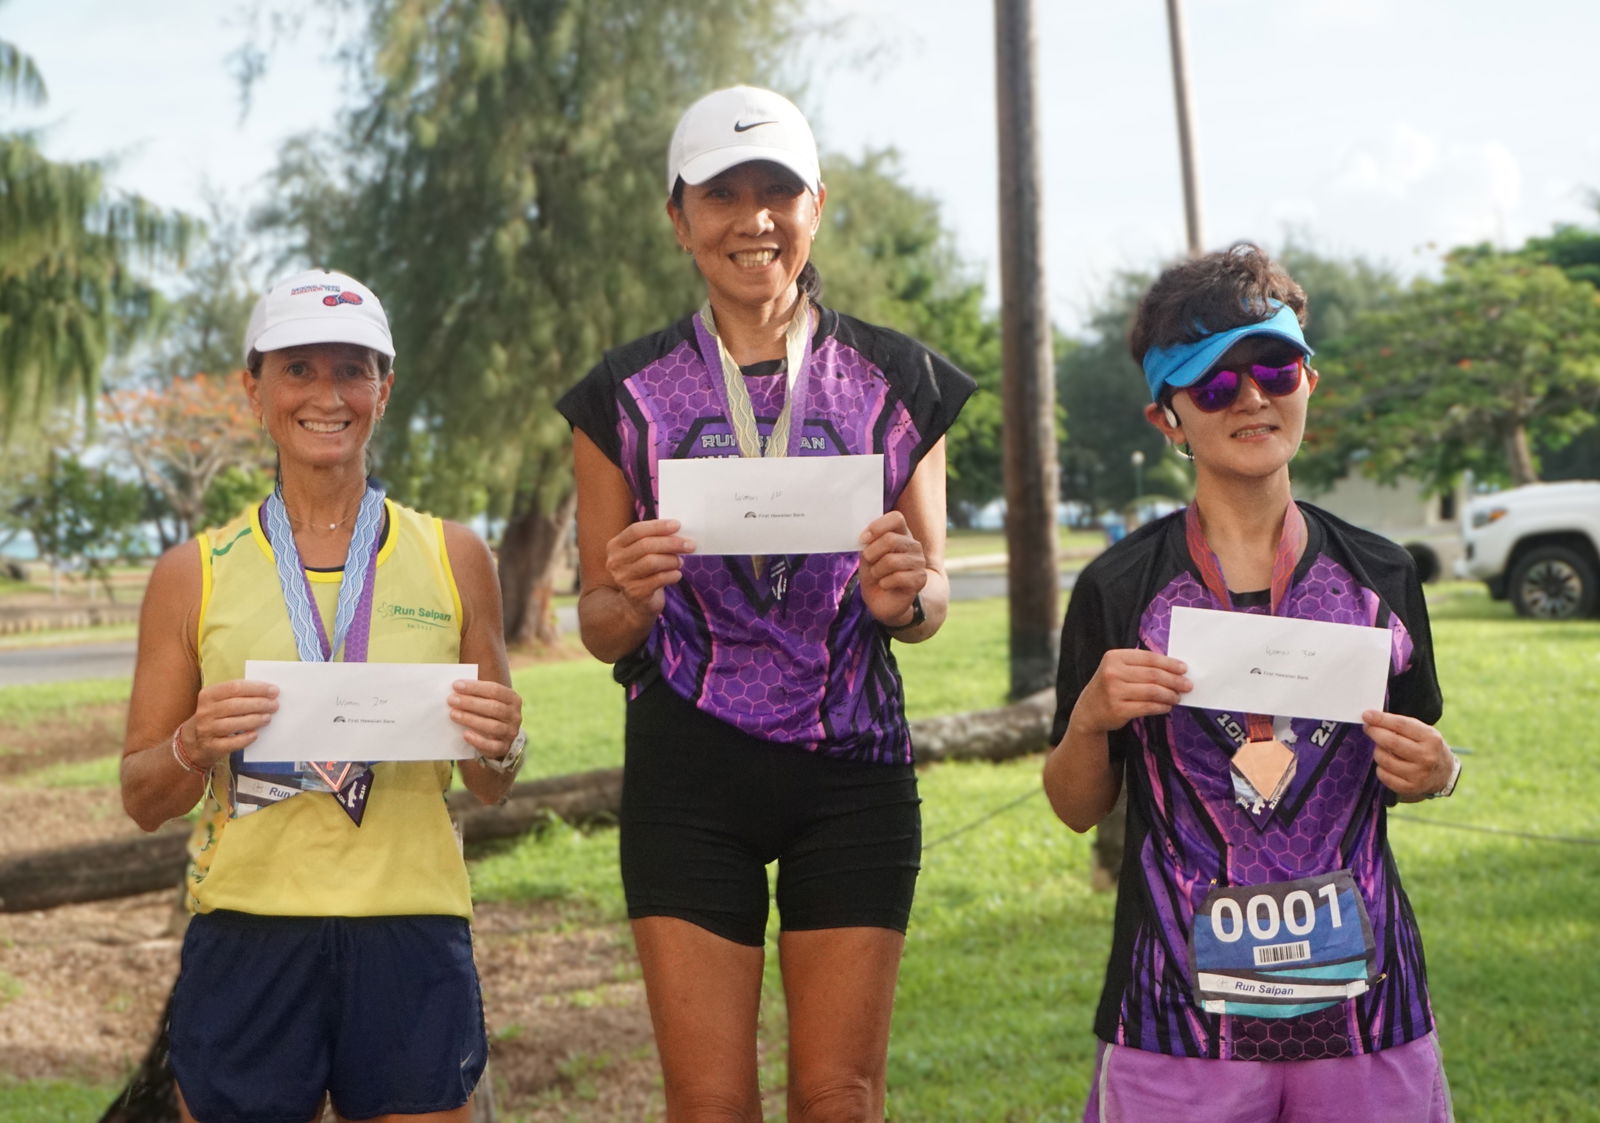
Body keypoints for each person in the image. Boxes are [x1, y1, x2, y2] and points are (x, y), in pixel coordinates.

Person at [556, 86, 974, 1121]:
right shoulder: (620, 396)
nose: (753, 219)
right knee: (707, 1104)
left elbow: (930, 595)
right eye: (722, 194)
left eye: (777, 191)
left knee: (839, 1096)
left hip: (855, 771)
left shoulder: (898, 380)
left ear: (816, 206)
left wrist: (903, 595)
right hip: (686, 772)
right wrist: (634, 592)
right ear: (679, 218)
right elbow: (598, 621)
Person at [1044, 243, 1460, 1122]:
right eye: (1213, 383)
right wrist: (1087, 721)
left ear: (1310, 378)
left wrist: (1440, 770)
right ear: (1167, 416)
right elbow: (1078, 805)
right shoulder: (1119, 588)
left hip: (1367, 1008)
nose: (1253, 397)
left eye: (1273, 366)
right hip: (1177, 1018)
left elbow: (1419, 758)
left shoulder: (1380, 573)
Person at [120, 268, 527, 1123]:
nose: (326, 394)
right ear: (254, 388)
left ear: (385, 386)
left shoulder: (456, 556)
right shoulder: (192, 571)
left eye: (351, 368)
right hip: (251, 929)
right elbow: (142, 795)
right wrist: (194, 744)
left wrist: (500, 742)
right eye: (298, 368)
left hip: (410, 925)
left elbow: (491, 781)